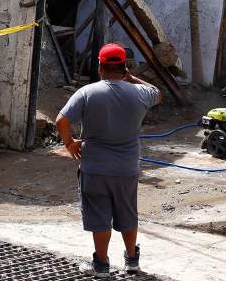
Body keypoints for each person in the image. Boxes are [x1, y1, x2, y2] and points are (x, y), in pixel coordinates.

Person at [55, 43, 162, 278]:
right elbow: (157, 92)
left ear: (100, 67)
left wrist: (70, 143)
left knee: (99, 216)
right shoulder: (141, 93)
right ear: (125, 68)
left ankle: (102, 265)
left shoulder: (87, 92)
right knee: (127, 212)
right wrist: (131, 78)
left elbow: (61, 120)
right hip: (127, 168)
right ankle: (132, 260)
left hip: (95, 167)